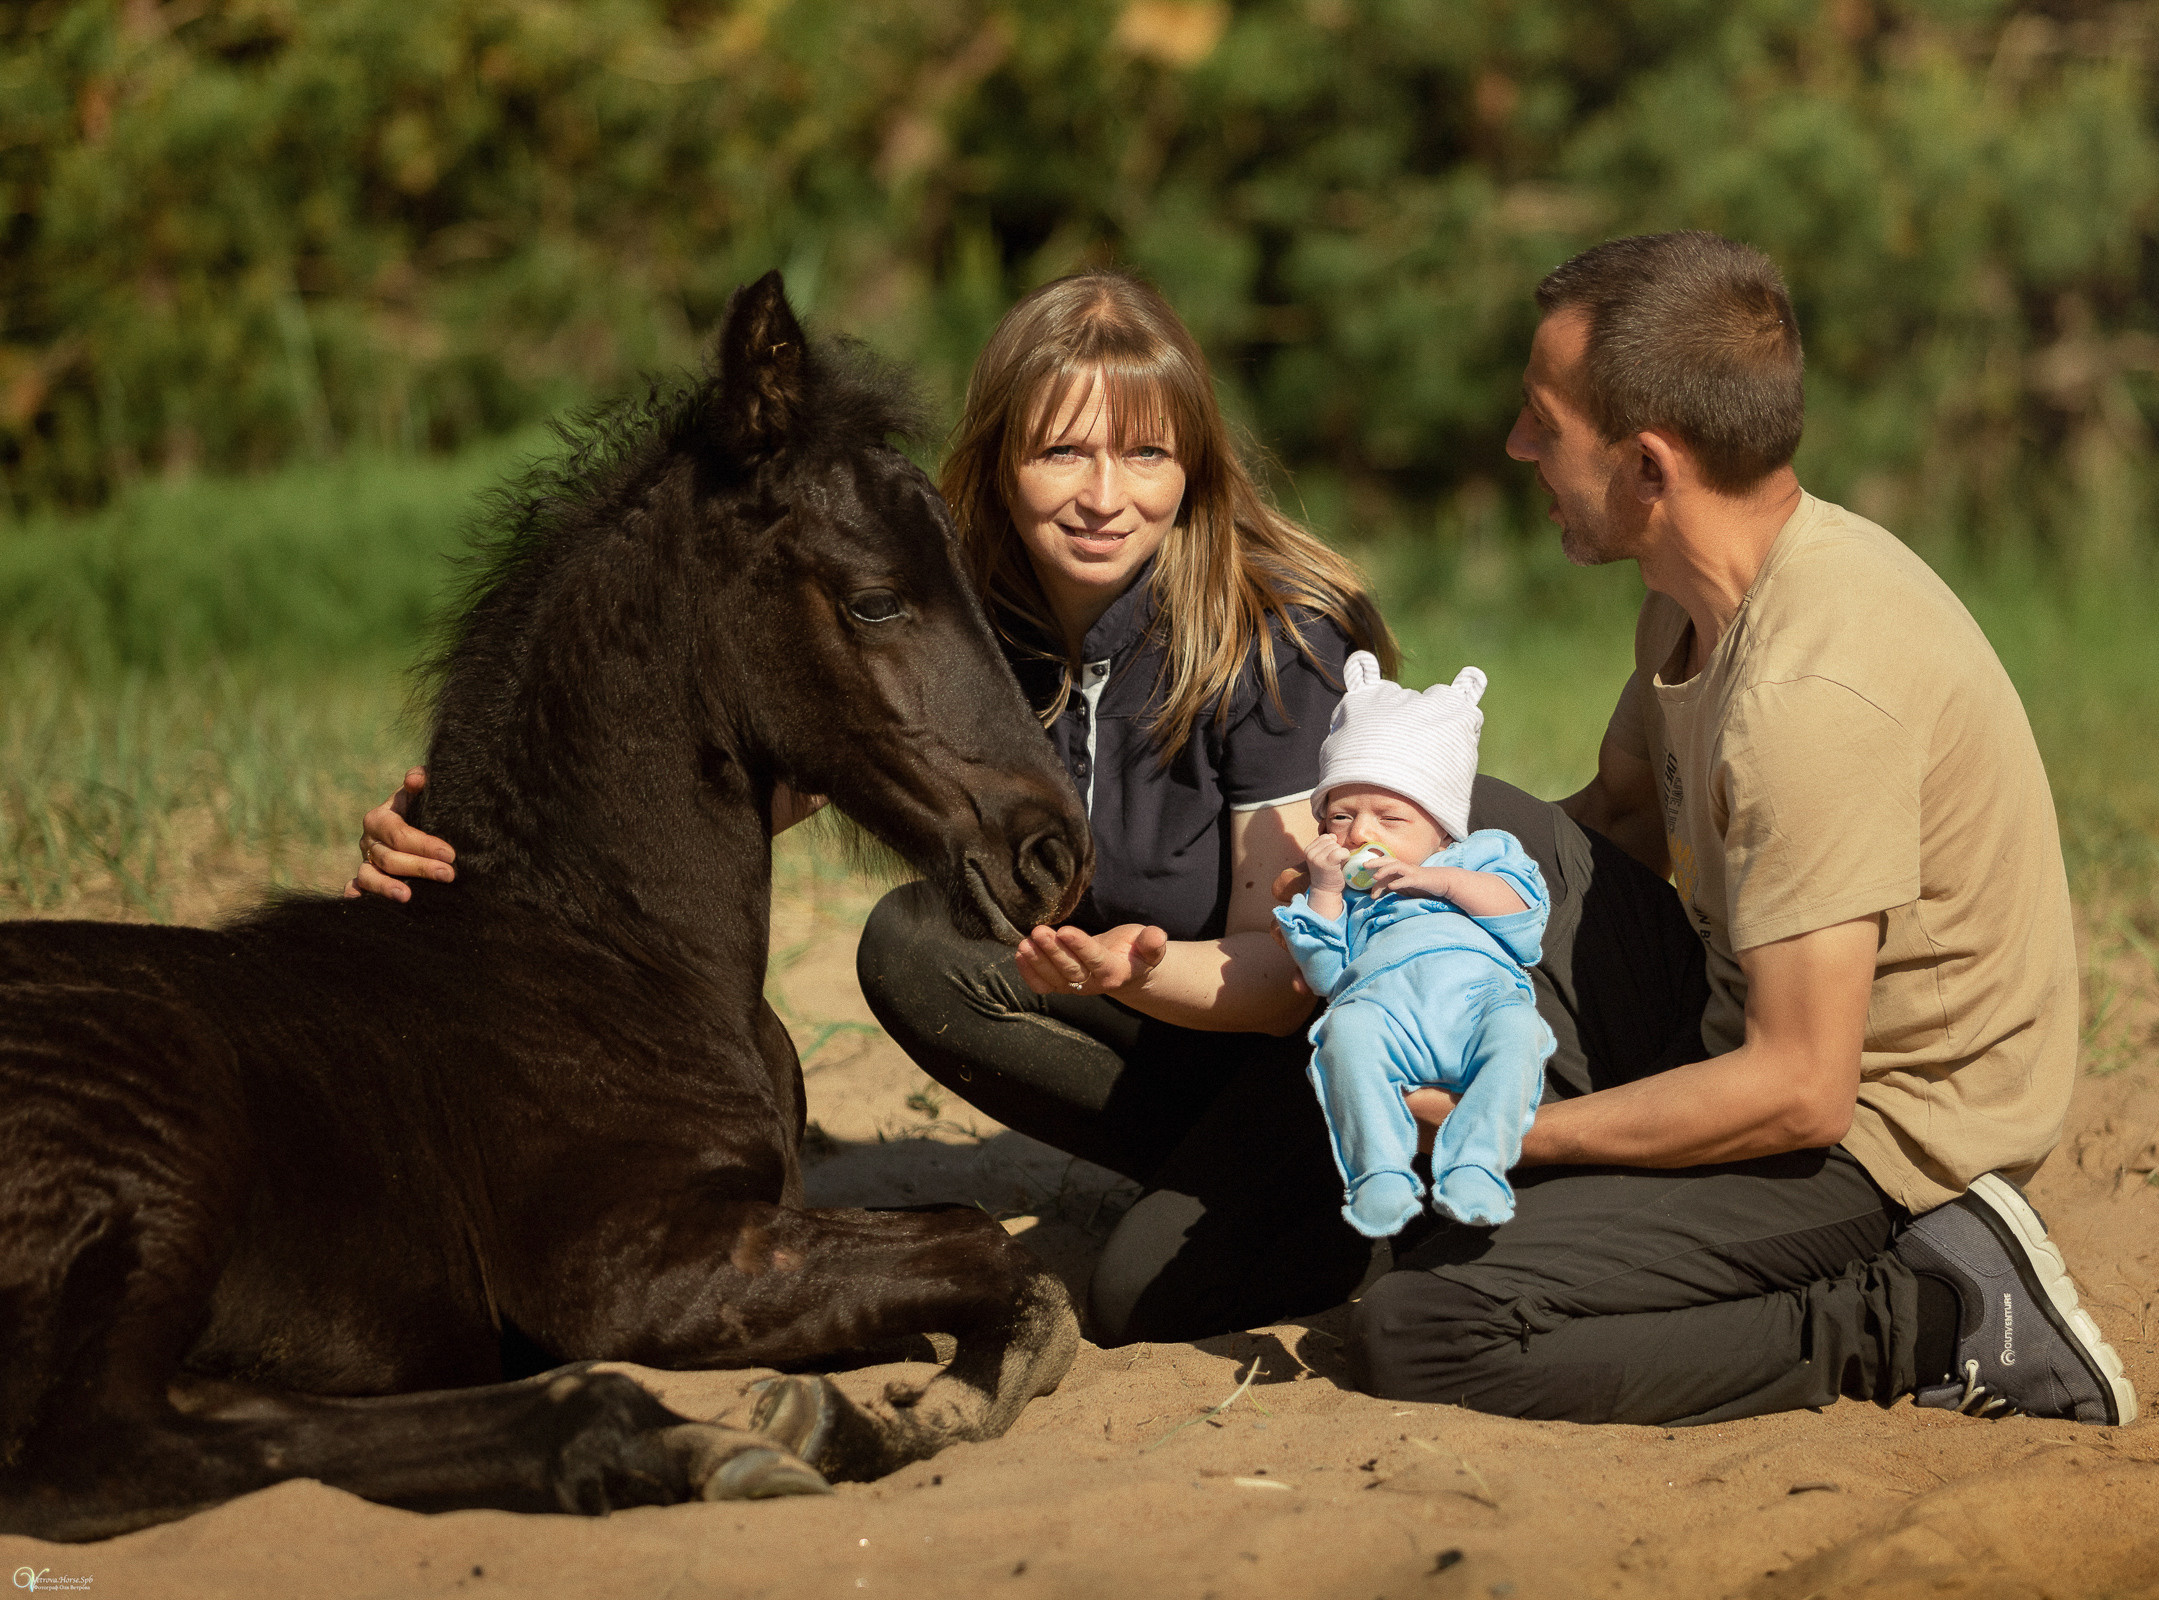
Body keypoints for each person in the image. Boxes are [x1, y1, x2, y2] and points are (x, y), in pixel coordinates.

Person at [351, 269, 1409, 1345]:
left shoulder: (1279, 641)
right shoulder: (957, 616)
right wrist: (461, 848)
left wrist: (1139, 969)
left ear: (1194, 462)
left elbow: (1287, 978)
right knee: (914, 945)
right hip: (1162, 1035)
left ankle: (1340, 1188)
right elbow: (692, 806)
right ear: (1000, 459)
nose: (1104, 494)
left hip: (1301, 1055)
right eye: (1061, 451)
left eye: (1145, 453)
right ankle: (1201, 1176)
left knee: (1142, 1295)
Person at [1347, 230, 2135, 1428]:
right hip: (1743, 1015)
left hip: (1880, 1139)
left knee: (1430, 1319)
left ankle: (1921, 1313)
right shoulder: (1692, 600)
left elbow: (1802, 1090)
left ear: (1649, 465)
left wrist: (1517, 1129)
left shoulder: (1805, 697)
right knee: (1470, 828)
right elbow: (1606, 821)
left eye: (1542, 422)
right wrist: (1385, 886)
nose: (1518, 448)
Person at [1273, 653, 1552, 1238]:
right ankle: (1378, 1172)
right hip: (1385, 1012)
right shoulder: (1341, 894)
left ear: (1442, 825)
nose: (1361, 833)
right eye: (1341, 816)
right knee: (1344, 1034)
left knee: (1521, 1036)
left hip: (1479, 1006)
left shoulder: (1477, 857)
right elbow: (1326, 977)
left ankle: (1477, 1163)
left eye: (1390, 817)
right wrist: (1323, 892)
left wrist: (1440, 880)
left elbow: (1526, 920)